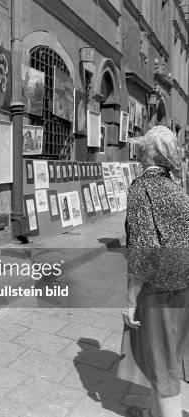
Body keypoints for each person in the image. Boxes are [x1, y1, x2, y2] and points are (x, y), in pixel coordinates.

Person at [118, 126, 189, 417]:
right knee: (167, 357)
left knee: (163, 369)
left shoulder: (141, 189)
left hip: (158, 289)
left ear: (146, 154)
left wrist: (131, 299)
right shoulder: (177, 189)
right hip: (183, 284)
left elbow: (144, 249)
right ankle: (152, 412)